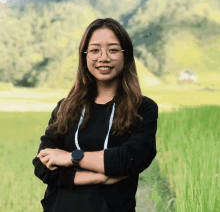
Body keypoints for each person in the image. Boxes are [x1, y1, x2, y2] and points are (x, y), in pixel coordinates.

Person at [32, 18, 158, 212]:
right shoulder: (66, 107)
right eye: (95, 50)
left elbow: (131, 158)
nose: (104, 57)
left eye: (113, 50)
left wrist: (71, 158)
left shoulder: (143, 108)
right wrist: (100, 176)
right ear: (84, 56)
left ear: (126, 56)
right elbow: (42, 165)